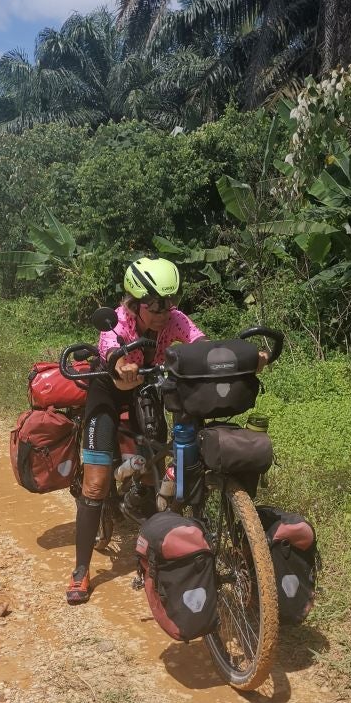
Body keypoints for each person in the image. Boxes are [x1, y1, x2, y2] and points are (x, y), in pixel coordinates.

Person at [66, 257, 205, 605]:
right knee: (96, 483)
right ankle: (81, 571)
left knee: (155, 471)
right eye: (155, 305)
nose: (163, 312)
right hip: (108, 390)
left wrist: (232, 356)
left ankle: (151, 553)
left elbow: (199, 341)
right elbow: (111, 351)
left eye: (169, 303)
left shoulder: (173, 319)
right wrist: (122, 364)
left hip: (145, 390)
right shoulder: (118, 321)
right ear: (135, 301)